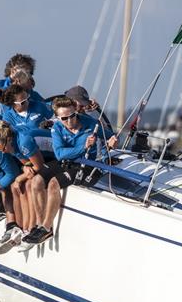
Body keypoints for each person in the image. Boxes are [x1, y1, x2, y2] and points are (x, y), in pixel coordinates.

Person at [21, 97, 117, 248]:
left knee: (53, 183)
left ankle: (46, 228)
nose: (69, 121)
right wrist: (83, 147)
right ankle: (40, 226)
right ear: (58, 118)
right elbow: (59, 154)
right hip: (66, 161)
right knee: (36, 181)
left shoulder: (91, 124)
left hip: (84, 165)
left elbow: (110, 135)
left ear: (75, 112)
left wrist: (111, 141)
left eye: (72, 116)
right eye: (64, 118)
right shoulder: (57, 128)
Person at [0, 121, 46, 232]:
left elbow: (39, 166)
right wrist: (25, 168)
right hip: (42, 158)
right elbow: (27, 163)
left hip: (55, 158)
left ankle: (31, 227)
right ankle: (18, 227)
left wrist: (20, 177)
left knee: (27, 185)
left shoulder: (23, 142)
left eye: (2, 148)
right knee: (15, 187)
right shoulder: (10, 145)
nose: (2, 152)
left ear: (8, 140)